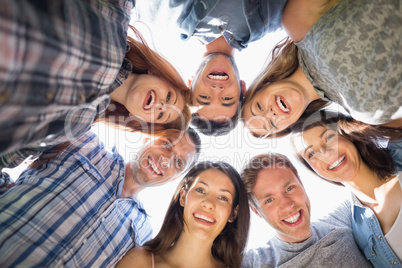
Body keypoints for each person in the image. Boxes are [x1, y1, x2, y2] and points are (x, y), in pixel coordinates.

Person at [0, 1, 191, 175]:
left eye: (161, 115)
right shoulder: (115, 21)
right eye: (169, 97)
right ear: (157, 75)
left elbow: (12, 154)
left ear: (141, 120)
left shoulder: (78, 125)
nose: (161, 106)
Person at [0, 128, 201, 267]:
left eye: (178, 163)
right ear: (146, 138)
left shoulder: (143, 235)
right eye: (166, 144)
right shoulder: (85, 144)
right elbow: (11, 142)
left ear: (175, 177)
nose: (166, 160)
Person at [242, 0, 401, 138]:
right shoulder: (364, 118)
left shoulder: (295, 22)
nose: (270, 114)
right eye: (272, 124)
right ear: (290, 125)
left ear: (263, 85)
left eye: (259, 107)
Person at [135, 0, 287, 135]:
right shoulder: (277, 17)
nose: (217, 89)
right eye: (227, 99)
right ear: (242, 87)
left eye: (204, 97)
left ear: (190, 83)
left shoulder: (160, 14)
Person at [291, 109, 402, 267]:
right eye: (311, 154)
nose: (325, 153)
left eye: (329, 137)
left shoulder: (399, 154)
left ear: (347, 134)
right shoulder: (357, 228)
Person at [241, 153, 371, 267]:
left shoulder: (346, 218)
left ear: (301, 184)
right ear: (256, 211)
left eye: (289, 188)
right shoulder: (253, 263)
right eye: (269, 200)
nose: (287, 205)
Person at [116, 161, 250, 268]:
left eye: (223, 198)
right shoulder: (139, 261)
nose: (209, 203)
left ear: (233, 214)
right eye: (200, 190)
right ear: (183, 197)